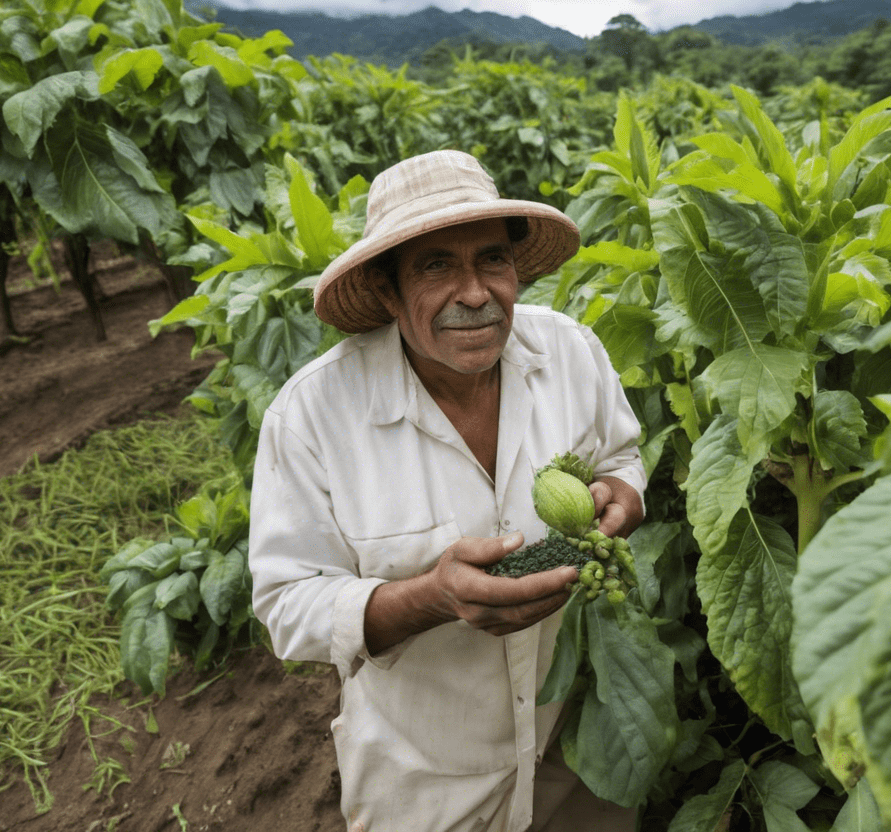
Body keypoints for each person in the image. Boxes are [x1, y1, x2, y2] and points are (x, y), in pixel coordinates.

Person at [248, 150, 647, 832]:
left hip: (578, 739)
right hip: (424, 779)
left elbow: (620, 457)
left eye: (492, 259)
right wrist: (431, 598)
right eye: (436, 266)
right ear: (385, 291)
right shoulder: (313, 415)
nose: (475, 293)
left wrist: (620, 494)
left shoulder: (572, 352)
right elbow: (287, 603)